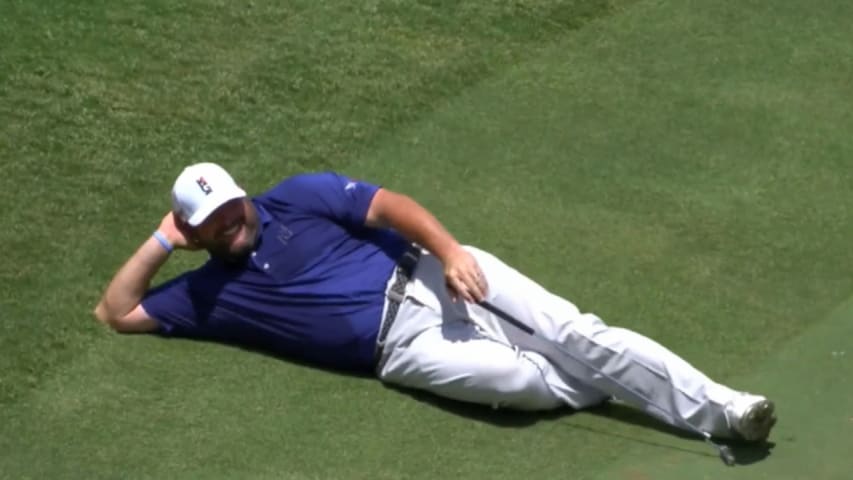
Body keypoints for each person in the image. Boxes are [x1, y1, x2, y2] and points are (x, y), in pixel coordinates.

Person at [94, 162, 776, 442]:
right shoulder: (207, 293)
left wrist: (451, 254)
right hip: (401, 350)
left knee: (575, 333)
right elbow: (117, 313)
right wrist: (159, 240)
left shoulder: (297, 195)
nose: (232, 219)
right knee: (522, 381)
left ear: (243, 194)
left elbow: (392, 206)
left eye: (232, 204)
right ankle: (603, 380)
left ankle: (724, 410)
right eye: (212, 219)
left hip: (432, 274)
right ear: (193, 229)